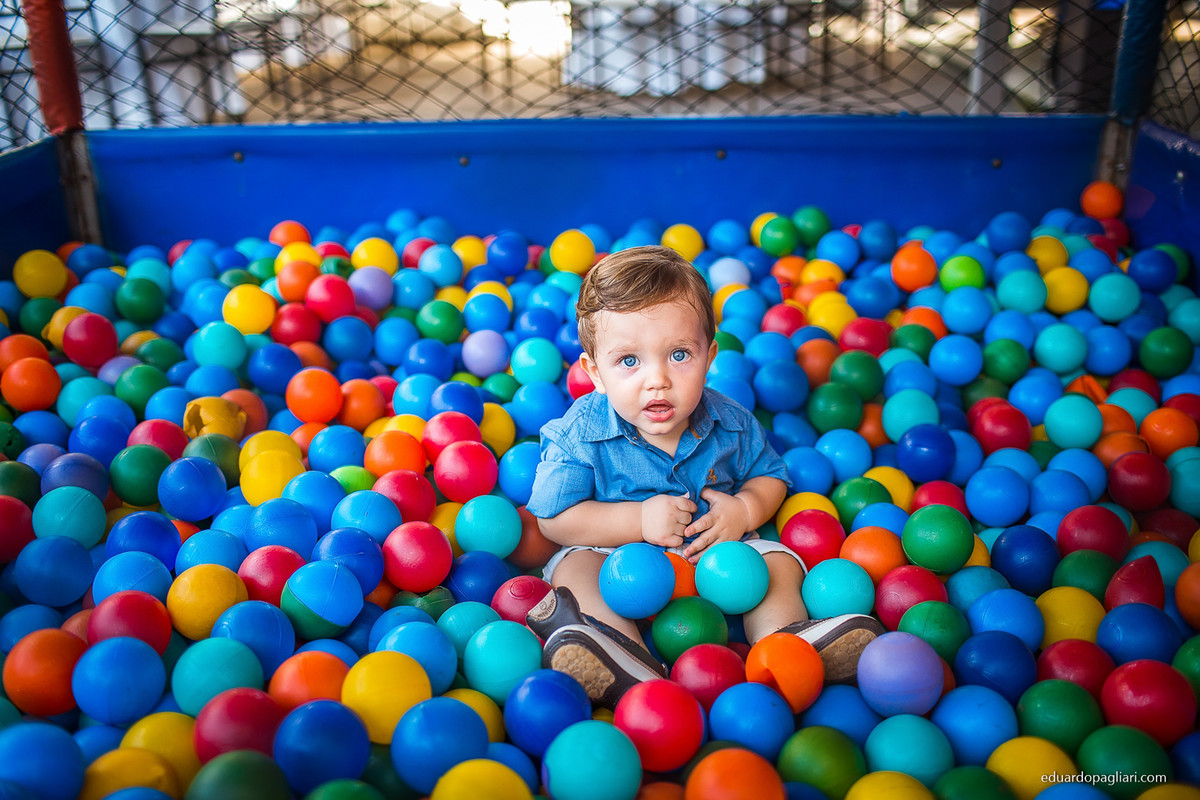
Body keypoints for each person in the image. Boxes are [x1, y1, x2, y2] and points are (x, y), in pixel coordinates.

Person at [524, 244, 882, 708]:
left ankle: (785, 643)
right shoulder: (579, 434)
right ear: (595, 372)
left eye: (678, 355)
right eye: (629, 361)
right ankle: (622, 656)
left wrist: (745, 510)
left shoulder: (730, 421)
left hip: (718, 554)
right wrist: (637, 523)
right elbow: (555, 519)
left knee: (777, 562)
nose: (657, 380)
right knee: (575, 569)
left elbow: (769, 475)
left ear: (709, 356)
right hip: (613, 556)